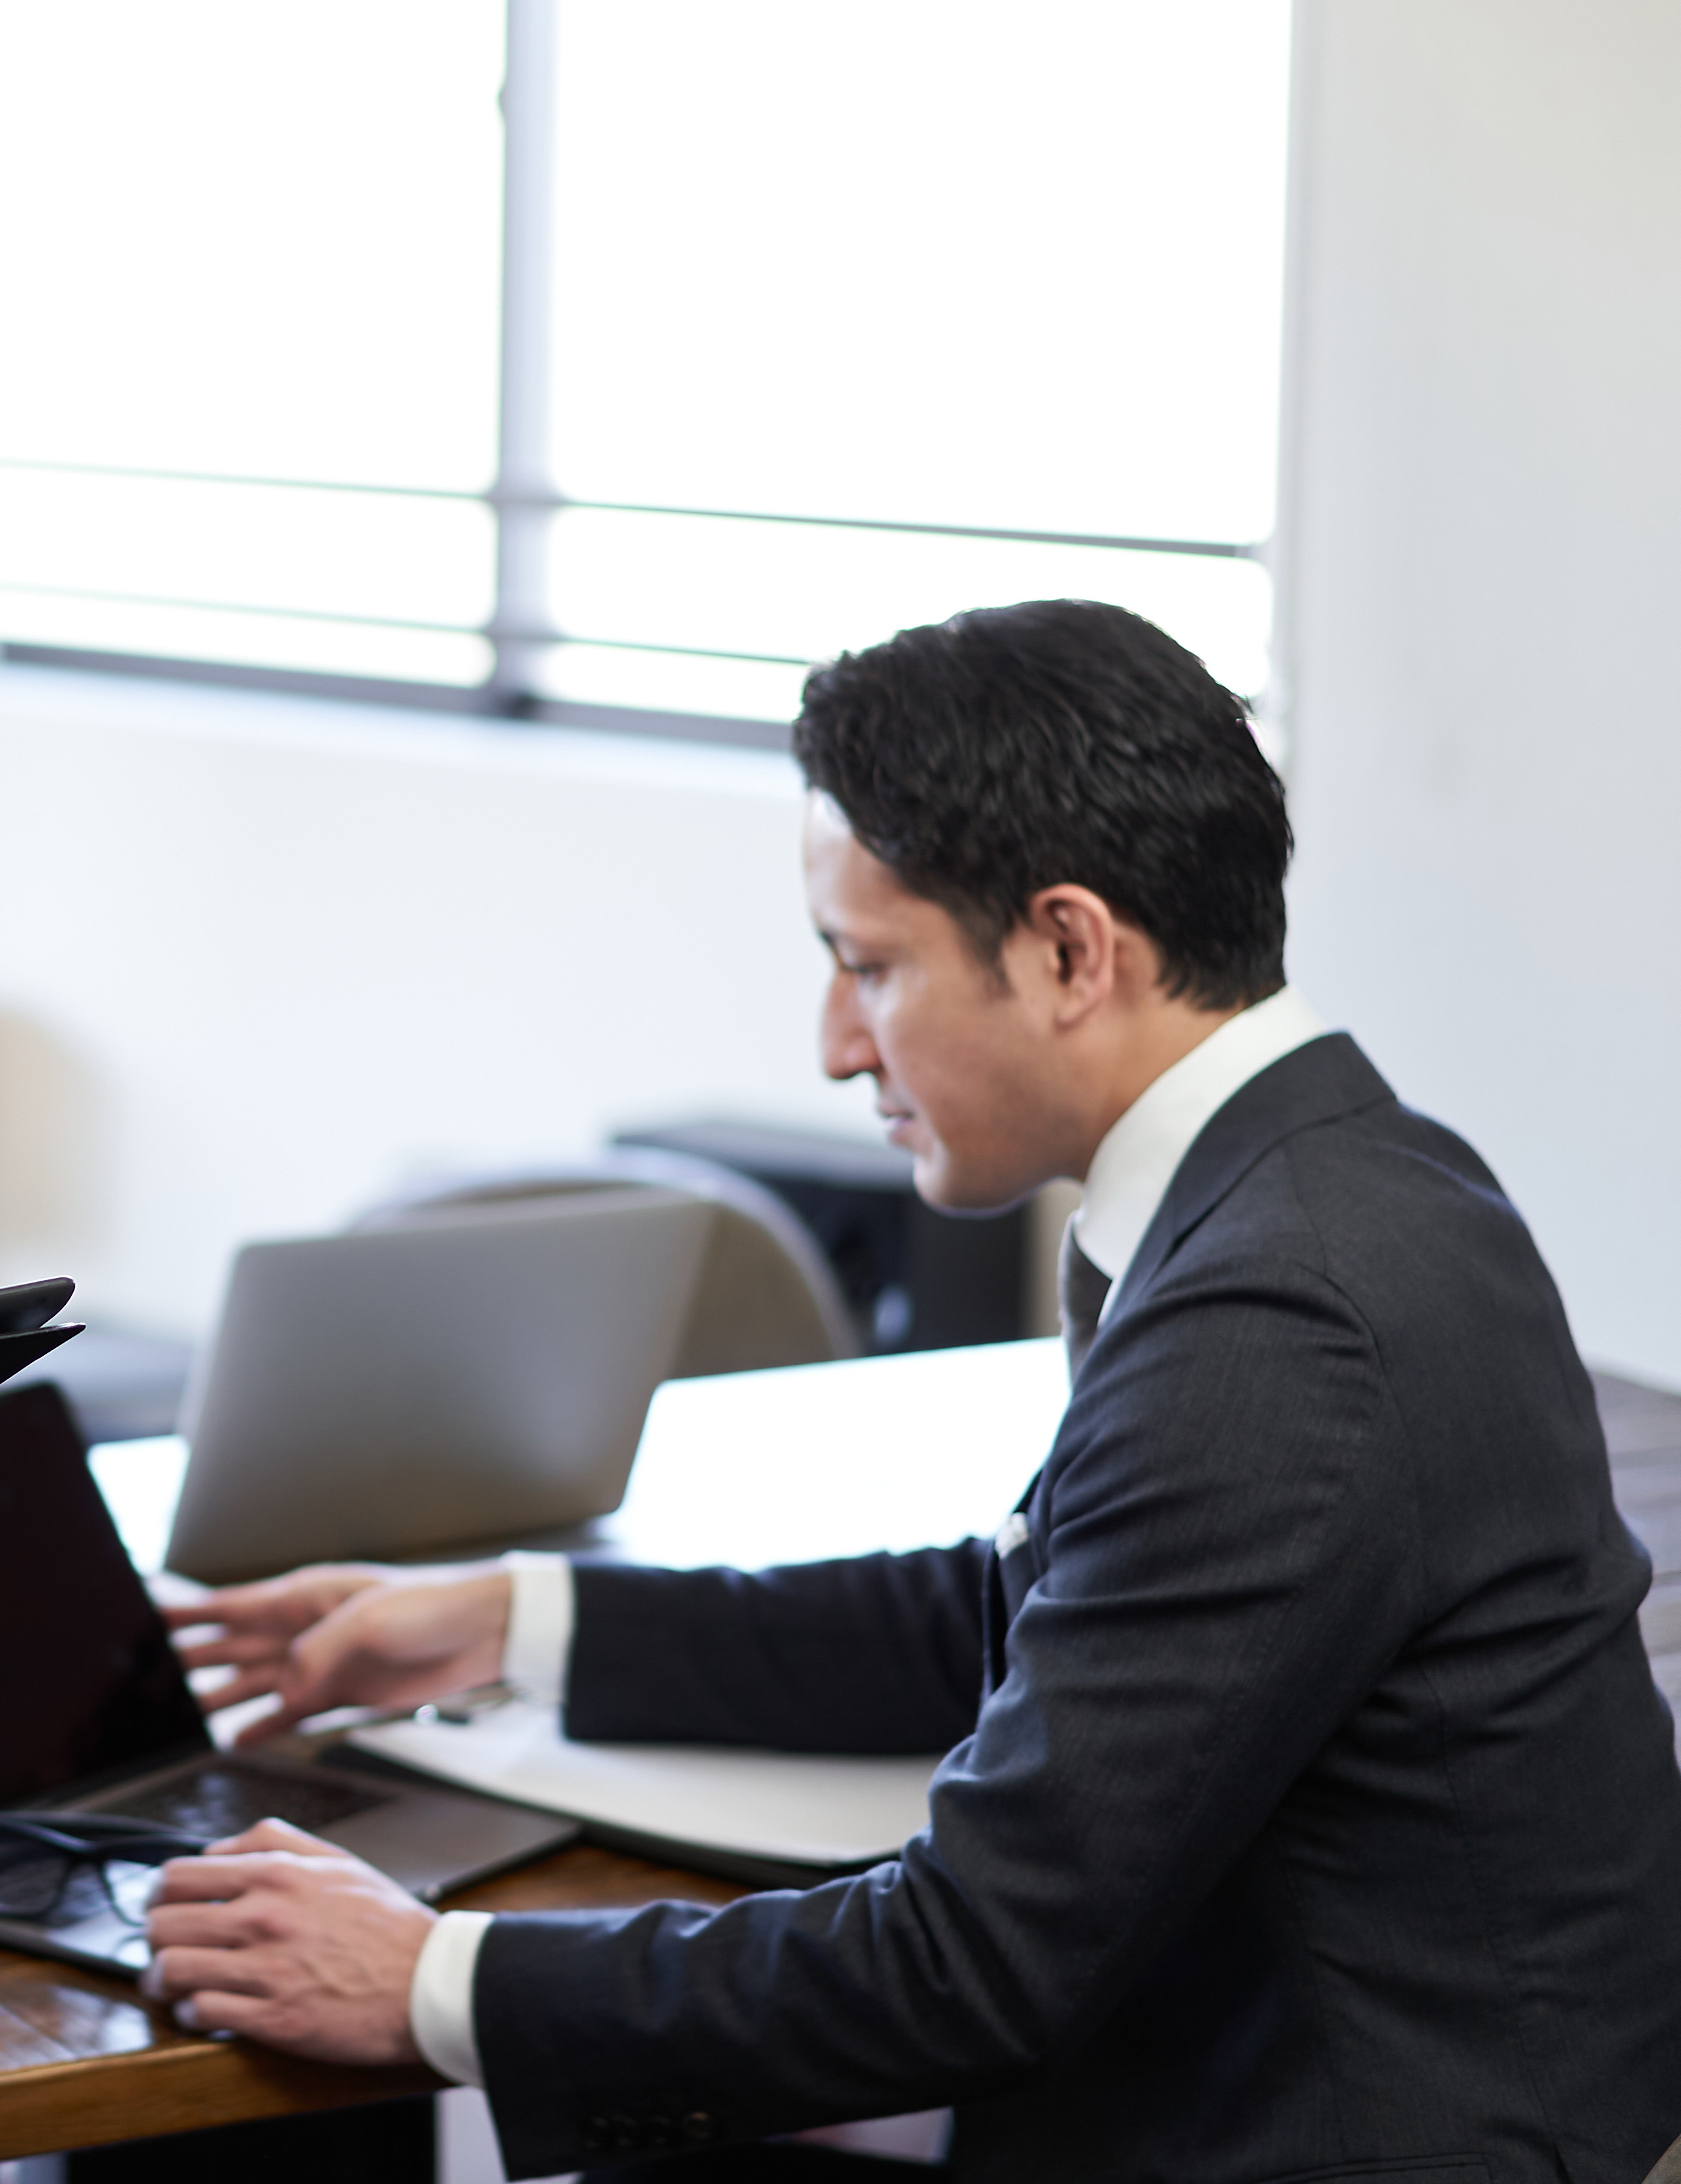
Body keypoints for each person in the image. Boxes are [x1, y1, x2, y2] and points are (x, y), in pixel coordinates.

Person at [154, 601, 1681, 2180]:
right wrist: (523, 1621)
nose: (832, 1045)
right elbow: (1045, 1608)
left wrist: (430, 1980)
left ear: (1071, 949)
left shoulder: (1280, 1314)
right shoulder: (1334, 1173)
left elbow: (974, 1960)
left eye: (868, 964)